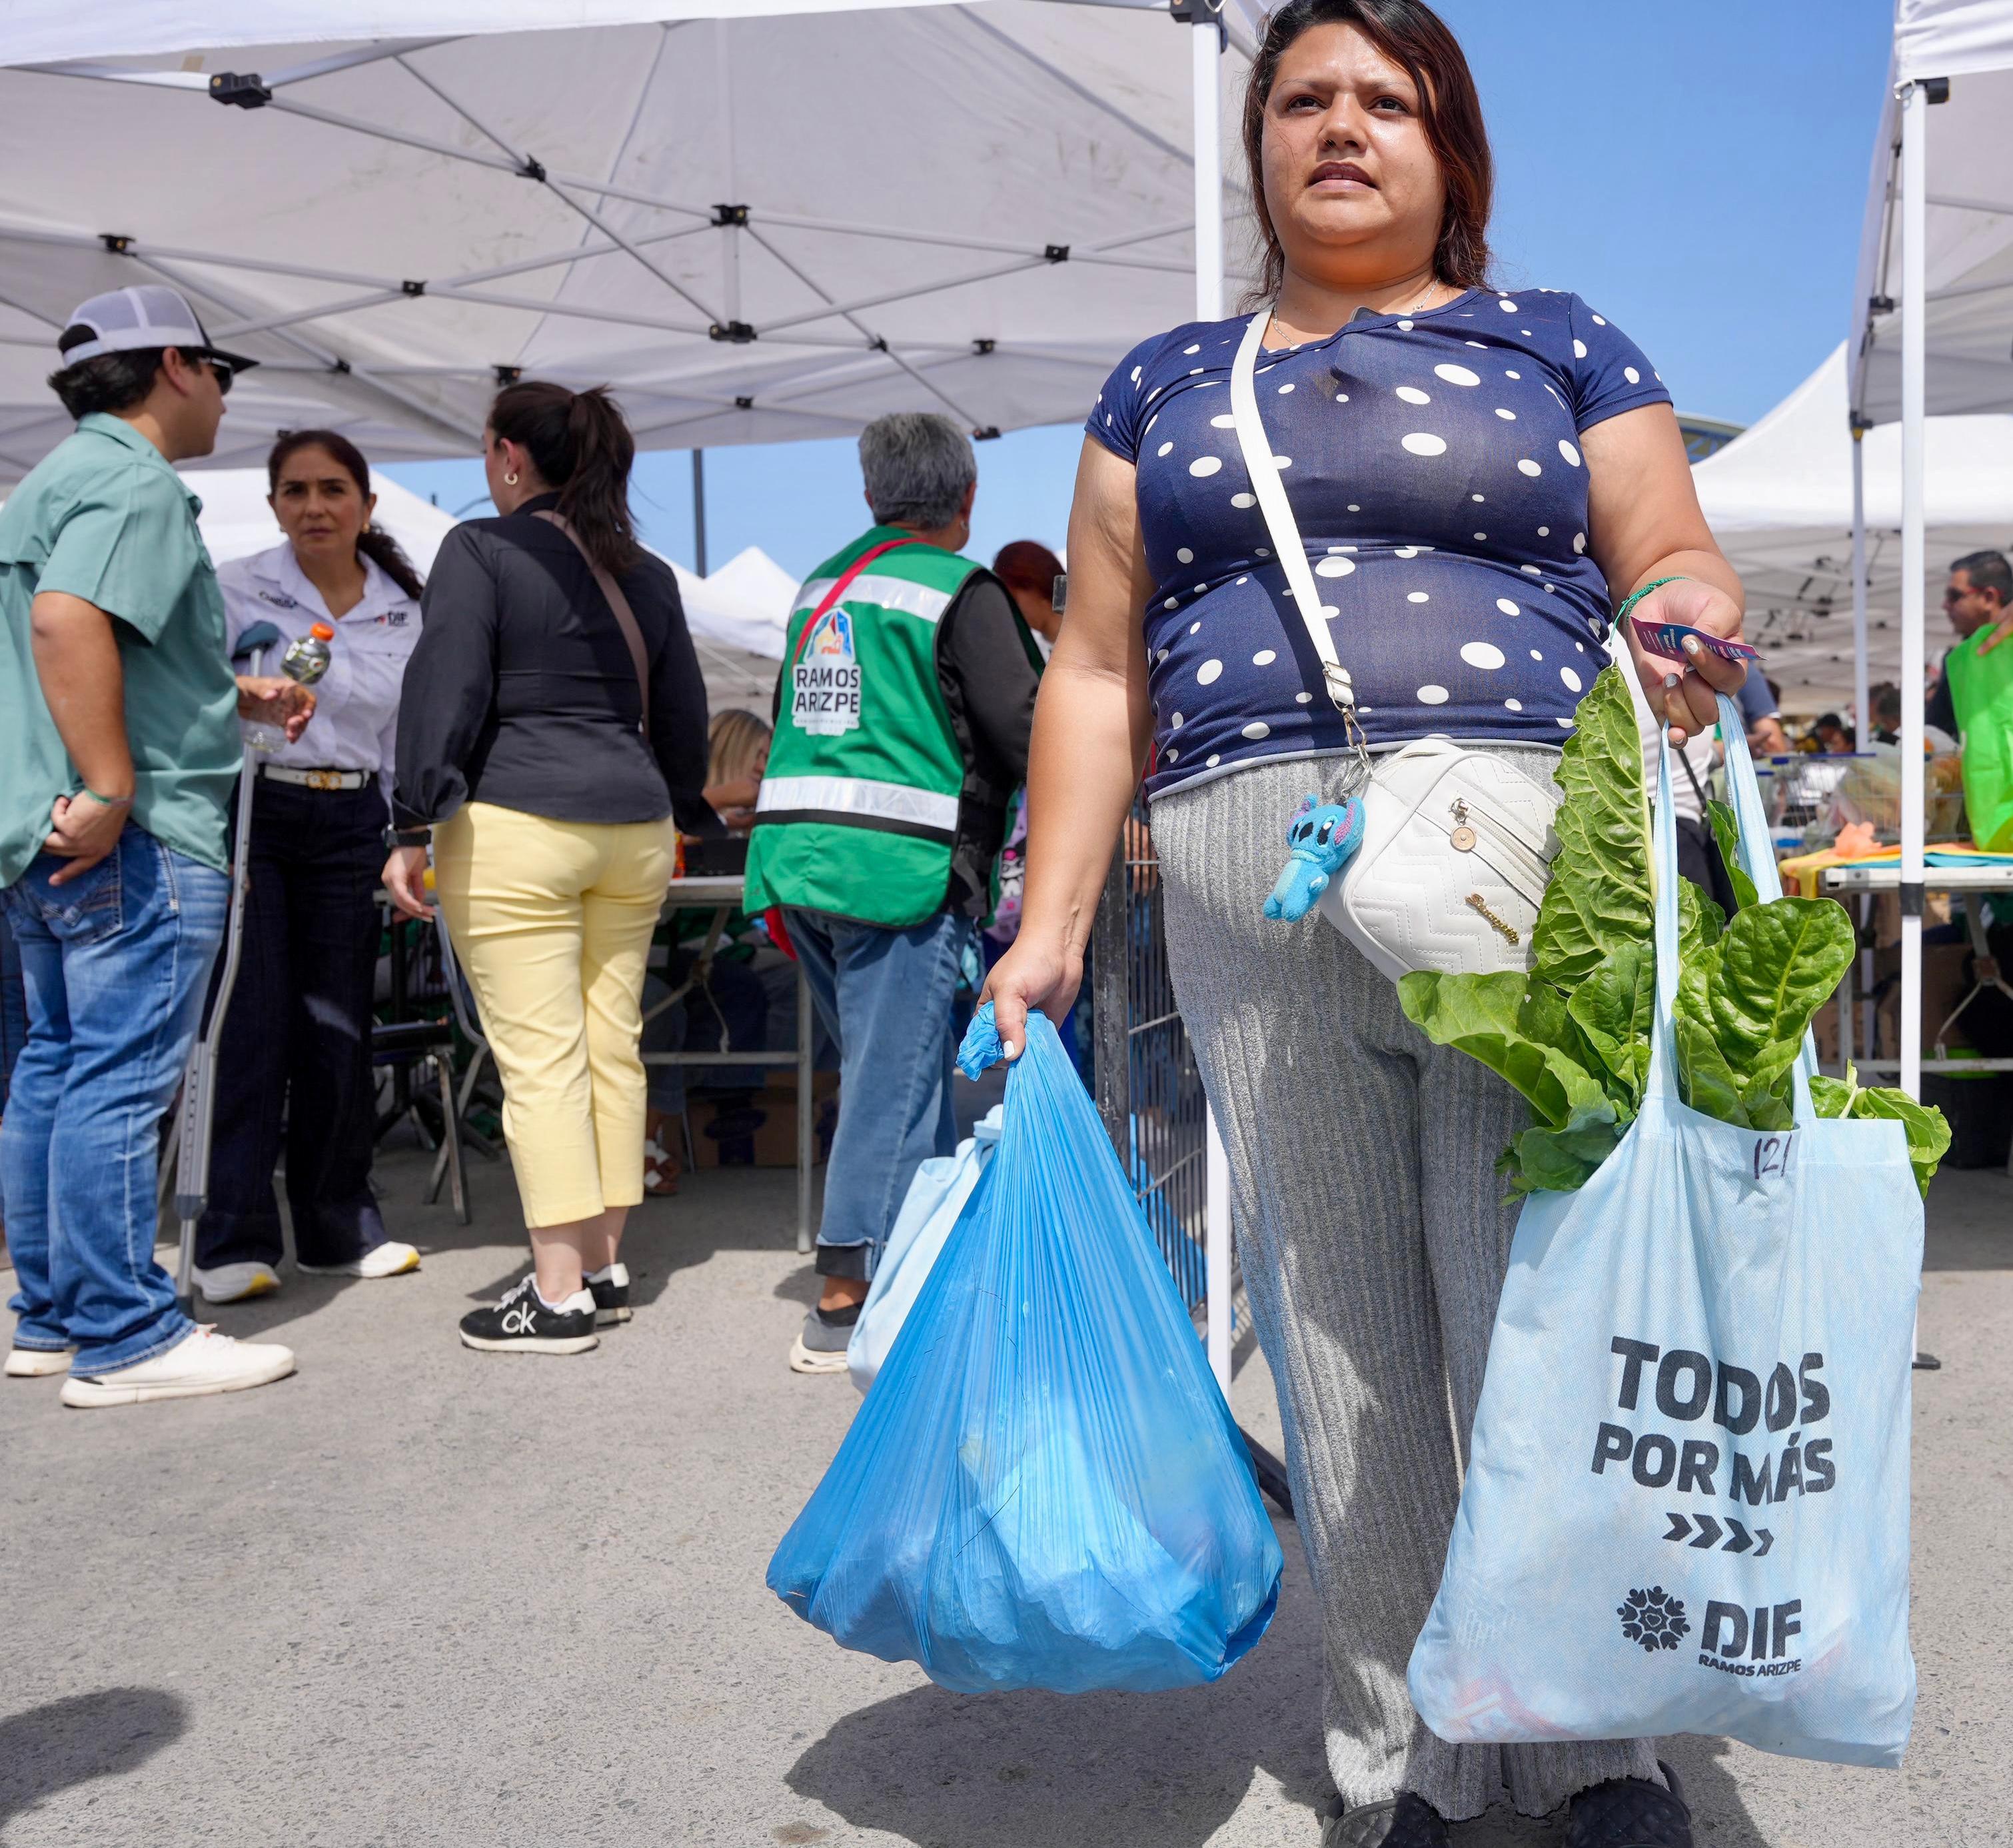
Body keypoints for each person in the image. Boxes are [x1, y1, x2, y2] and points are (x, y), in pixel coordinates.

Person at [982, 6, 1746, 1843]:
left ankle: (1590, 1743)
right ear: (1255, 145)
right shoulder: (1160, 383)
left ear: (1447, 147)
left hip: (1518, 858)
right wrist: (1046, 922)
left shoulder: (1555, 340)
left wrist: (1687, 621)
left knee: (1536, 1315)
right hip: (1246, 869)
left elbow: (1669, 550)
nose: (1340, 126)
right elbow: (1093, 671)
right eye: (1303, 99)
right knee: (1334, 1340)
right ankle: (1399, 1752)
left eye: (1384, 101)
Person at [0, 285, 312, 1406]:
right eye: (219, 371)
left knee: (55, 1066)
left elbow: (63, 634)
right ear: (177, 365)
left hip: (40, 825)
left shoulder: (47, 481)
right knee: (119, 1078)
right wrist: (116, 781)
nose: (224, 395)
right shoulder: (136, 481)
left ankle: (52, 1316)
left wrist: (224, 695)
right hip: (131, 829)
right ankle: (126, 1334)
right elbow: (67, 619)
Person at [384, 381, 710, 1355]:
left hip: (518, 820)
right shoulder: (647, 572)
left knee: (541, 1059)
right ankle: (602, 1264)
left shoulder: (480, 549)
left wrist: (412, 821)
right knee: (611, 1043)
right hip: (634, 822)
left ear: (510, 458)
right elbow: (685, 717)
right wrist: (678, 804)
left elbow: (445, 684)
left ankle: (556, 1294)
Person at [743, 412, 1042, 1375]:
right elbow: (1026, 727)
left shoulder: (822, 586)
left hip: (799, 864)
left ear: (870, 494)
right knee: (893, 1082)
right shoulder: (959, 589)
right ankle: (845, 1296)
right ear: (968, 497)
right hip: (895, 870)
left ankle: (924, 1272)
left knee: (900, 1077)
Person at [191, 432, 426, 1305]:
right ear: (273, 505)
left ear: (367, 505)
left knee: (339, 1028)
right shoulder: (234, 587)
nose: (314, 506)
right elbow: (189, 701)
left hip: (352, 819)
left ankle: (338, 1228)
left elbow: (403, 739)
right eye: (295, 491)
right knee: (252, 1027)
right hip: (255, 812)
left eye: (333, 489)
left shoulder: (407, 608)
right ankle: (232, 1239)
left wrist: (409, 837)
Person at [640, 708, 778, 1194]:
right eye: (758, 755)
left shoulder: (740, 821)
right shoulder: (679, 806)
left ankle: (792, 1106)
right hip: (663, 952)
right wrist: (716, 808)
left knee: (793, 974)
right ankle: (660, 1136)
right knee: (682, 1001)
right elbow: (656, 839)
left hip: (711, 947)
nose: (764, 767)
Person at [1928, 548, 2013, 740]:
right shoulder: (1957, 660)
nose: (1945, 605)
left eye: (1954, 596)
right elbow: (1935, 728)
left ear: (1989, 598)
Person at [992, 539, 1065, 657]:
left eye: (1013, 601)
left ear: (1034, 584)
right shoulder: (1030, 654)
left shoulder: (1092, 628)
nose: (1010, 612)